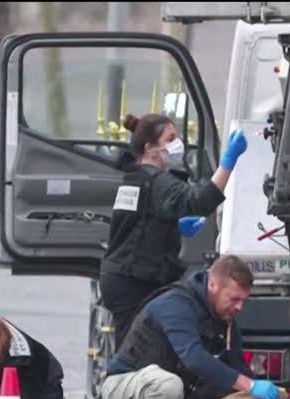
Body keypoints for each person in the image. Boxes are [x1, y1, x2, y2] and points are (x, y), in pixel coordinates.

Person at [102, 255, 280, 399]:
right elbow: (194, 358)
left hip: (168, 396)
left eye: (243, 300)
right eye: (234, 298)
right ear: (213, 284)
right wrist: (250, 385)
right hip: (123, 388)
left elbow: (237, 368)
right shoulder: (175, 304)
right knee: (168, 385)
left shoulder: (223, 319)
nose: (239, 307)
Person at [100, 112, 249, 347]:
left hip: (121, 278)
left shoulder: (134, 177)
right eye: (170, 139)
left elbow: (136, 222)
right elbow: (199, 200)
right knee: (134, 352)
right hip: (134, 281)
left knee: (135, 346)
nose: (177, 144)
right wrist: (227, 164)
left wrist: (171, 227)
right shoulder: (156, 182)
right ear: (150, 148)